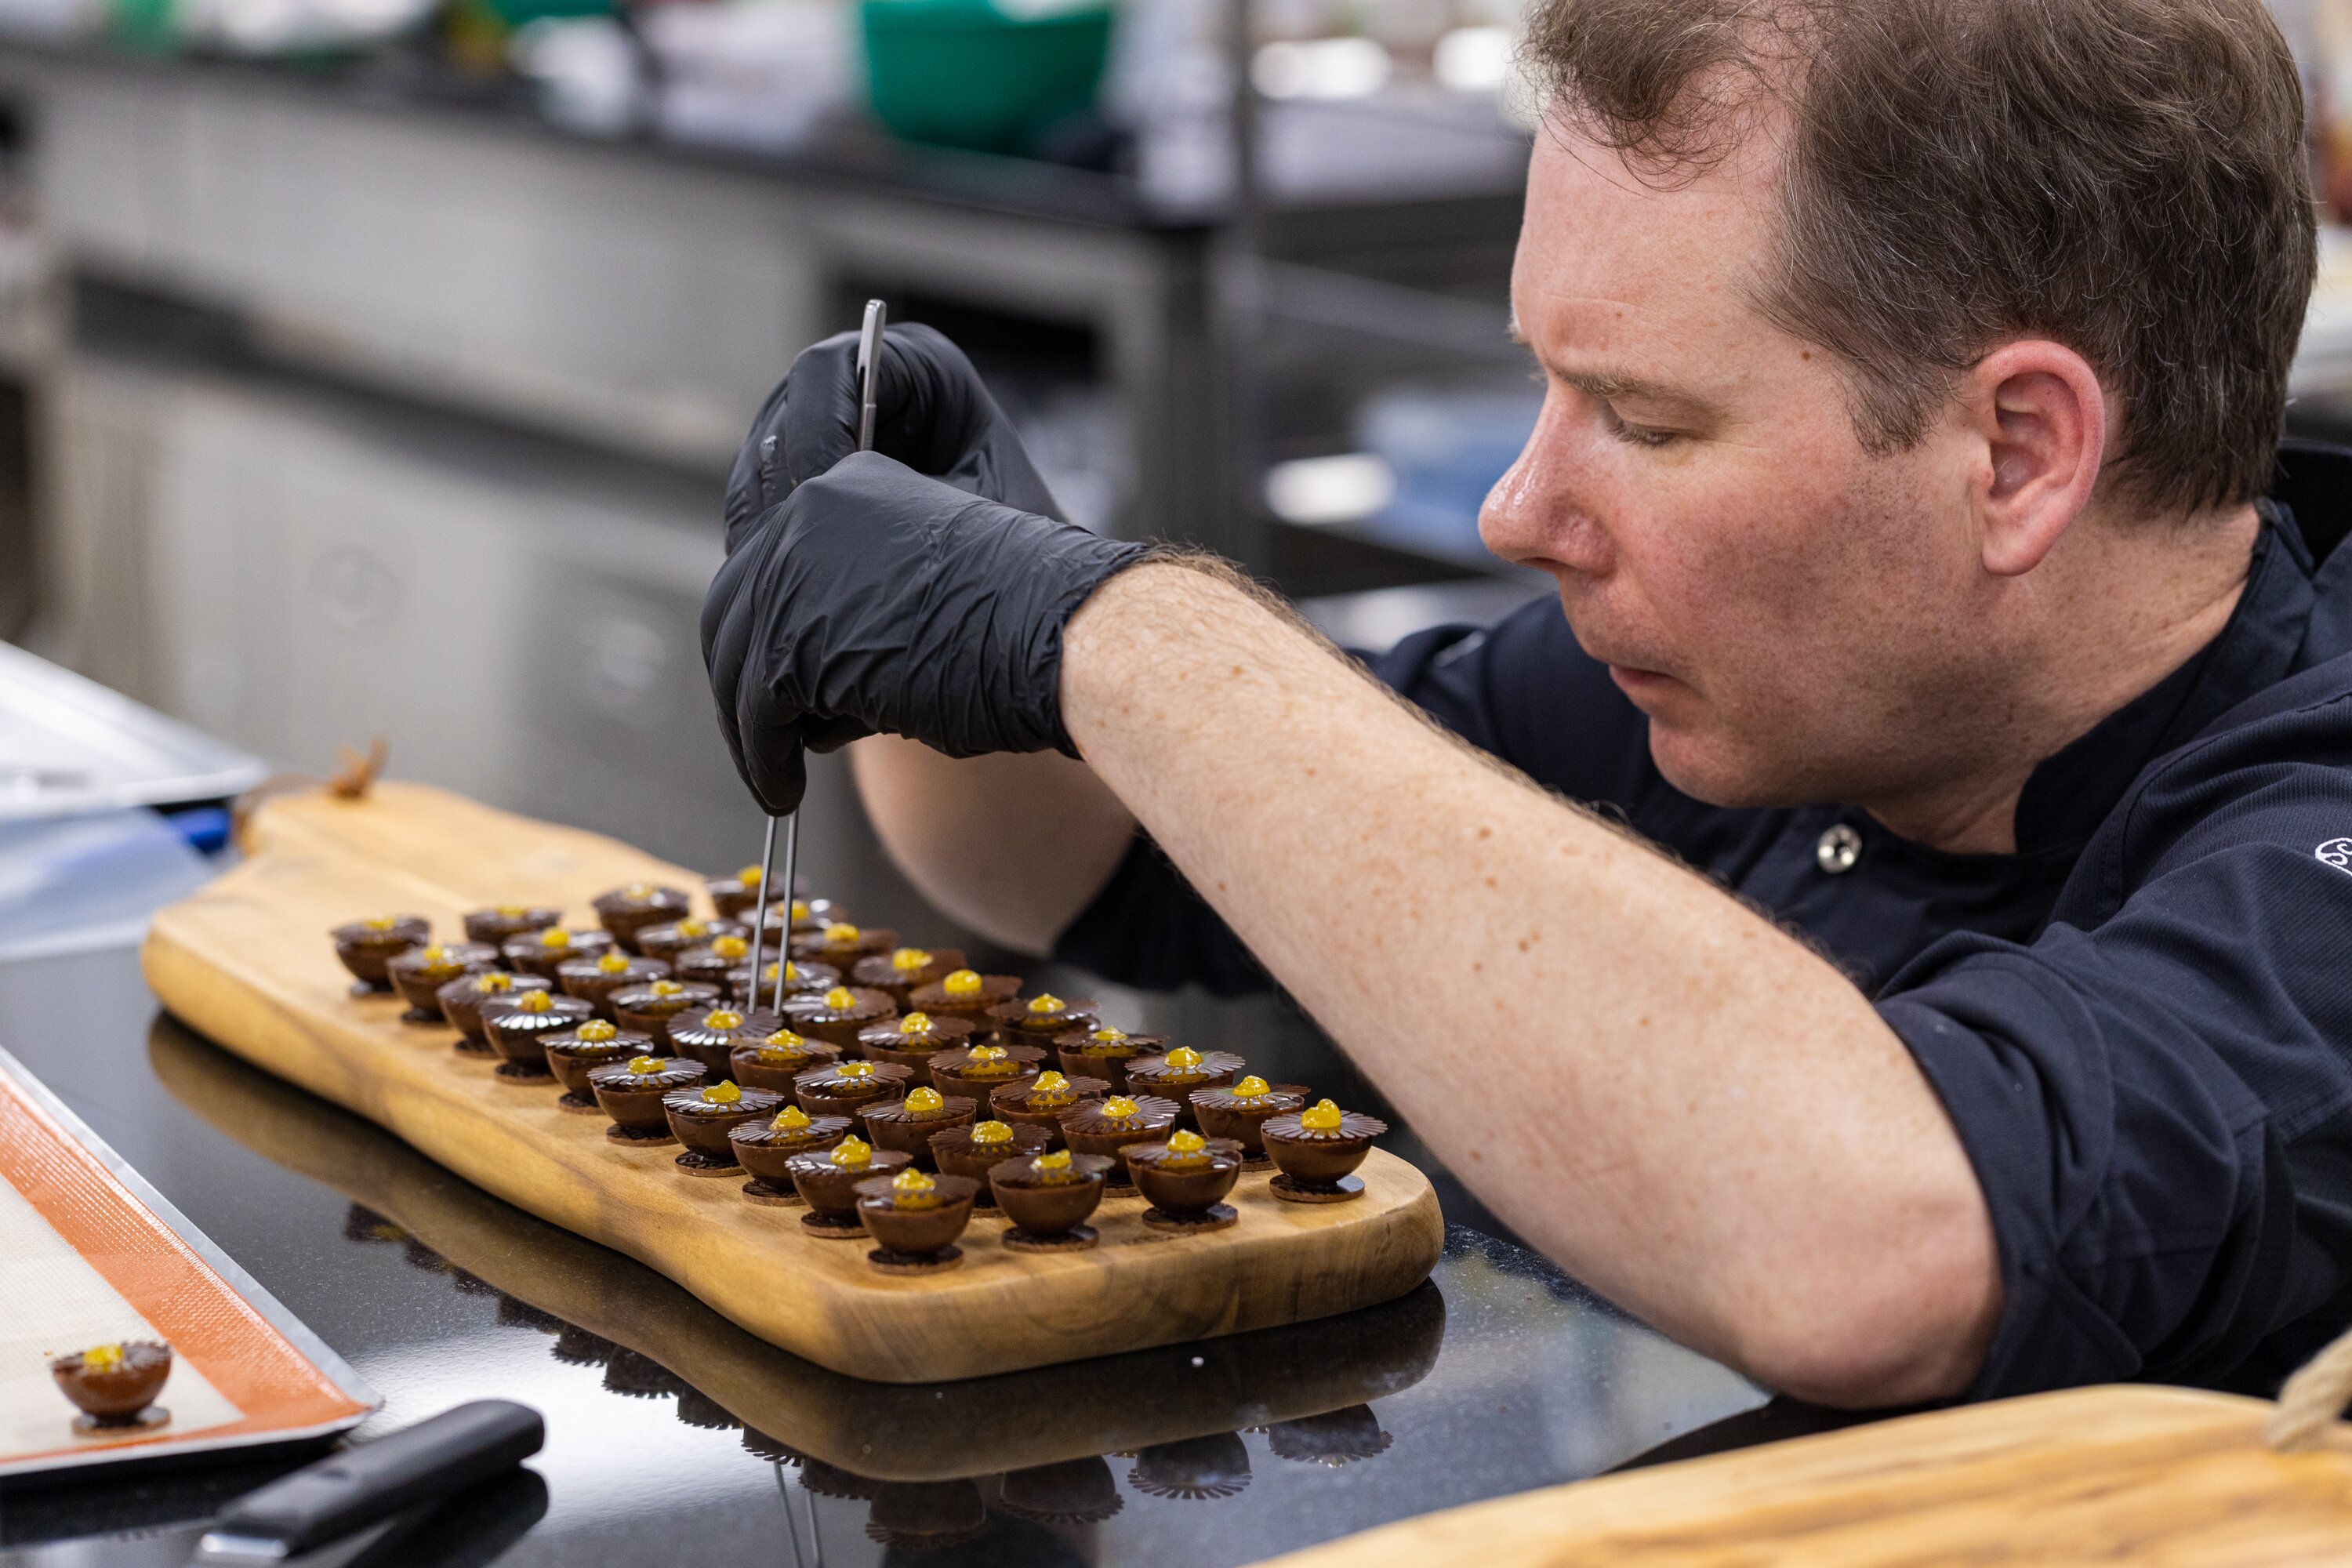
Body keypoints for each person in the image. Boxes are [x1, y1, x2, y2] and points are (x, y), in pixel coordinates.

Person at [704, 0, 2352, 1409]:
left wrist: (1115, 627)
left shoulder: (2307, 837)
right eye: (1547, 386)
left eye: (1643, 418)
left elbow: (1874, 1243)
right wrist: (963, 618)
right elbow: (1084, 869)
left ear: (2016, 454)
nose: (1517, 510)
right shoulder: (1780, 679)